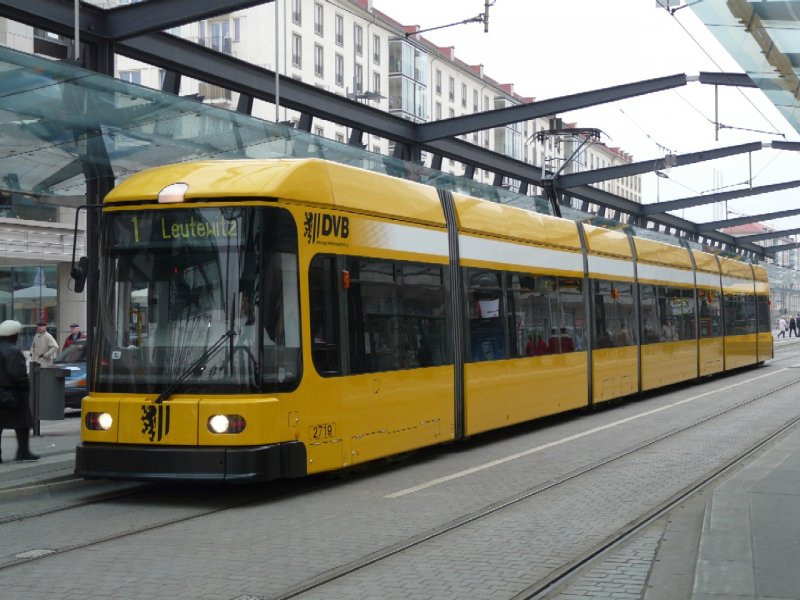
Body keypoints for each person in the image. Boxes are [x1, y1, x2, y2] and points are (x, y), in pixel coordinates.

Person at [0, 320, 40, 463]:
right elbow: (17, 374)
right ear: (14, 335)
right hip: (12, 393)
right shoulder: (13, 351)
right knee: (23, 423)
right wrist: (25, 387)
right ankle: (23, 452)